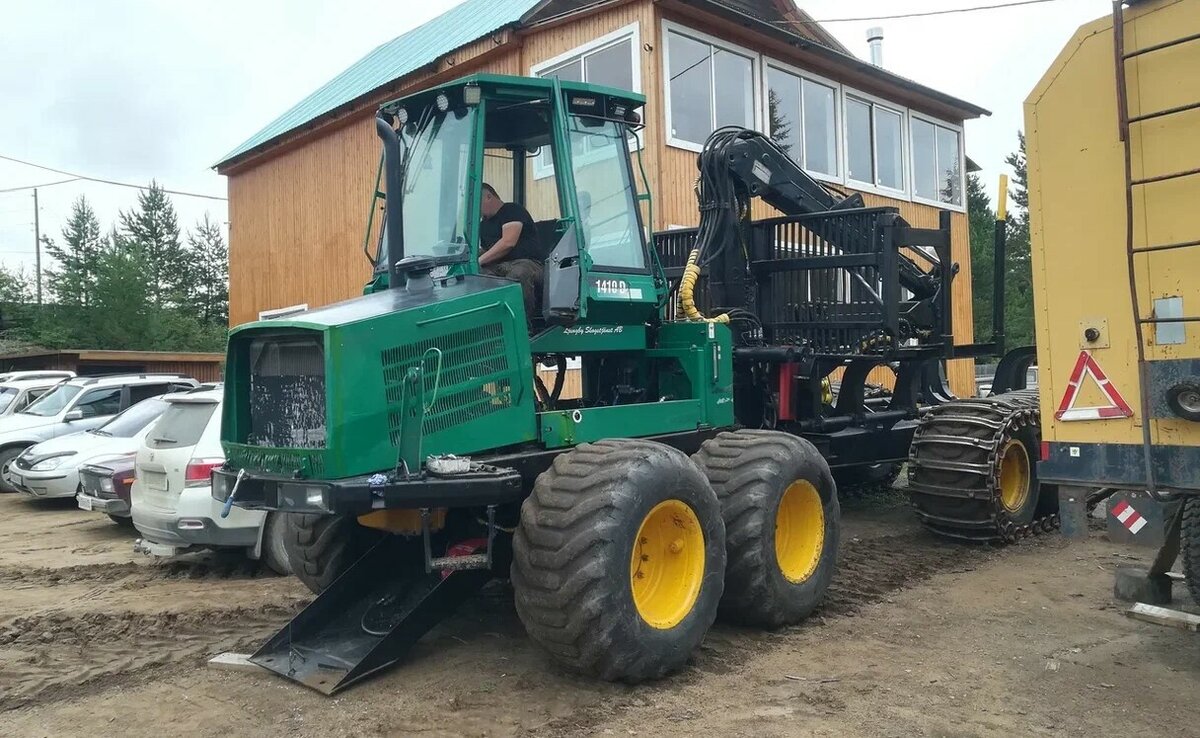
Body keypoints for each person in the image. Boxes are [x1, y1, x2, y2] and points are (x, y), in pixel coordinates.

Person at [478, 183, 543, 322]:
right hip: (500, 265)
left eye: (478, 204)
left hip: (528, 262)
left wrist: (479, 260)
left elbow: (508, 242)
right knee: (479, 277)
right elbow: (488, 250)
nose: (477, 211)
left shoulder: (512, 210)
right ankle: (493, 323)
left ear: (488, 196)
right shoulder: (483, 225)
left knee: (518, 274)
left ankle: (522, 325)